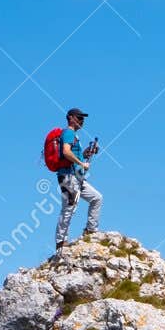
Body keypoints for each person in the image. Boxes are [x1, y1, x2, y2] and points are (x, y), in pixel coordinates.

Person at [55, 107, 102, 251]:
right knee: (69, 208)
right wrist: (82, 163)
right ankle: (61, 242)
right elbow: (66, 152)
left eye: (83, 118)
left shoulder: (74, 135)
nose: (82, 121)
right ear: (71, 118)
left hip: (77, 177)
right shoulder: (68, 133)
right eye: (80, 118)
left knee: (96, 198)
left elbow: (73, 154)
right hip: (69, 177)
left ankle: (90, 230)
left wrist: (87, 153)